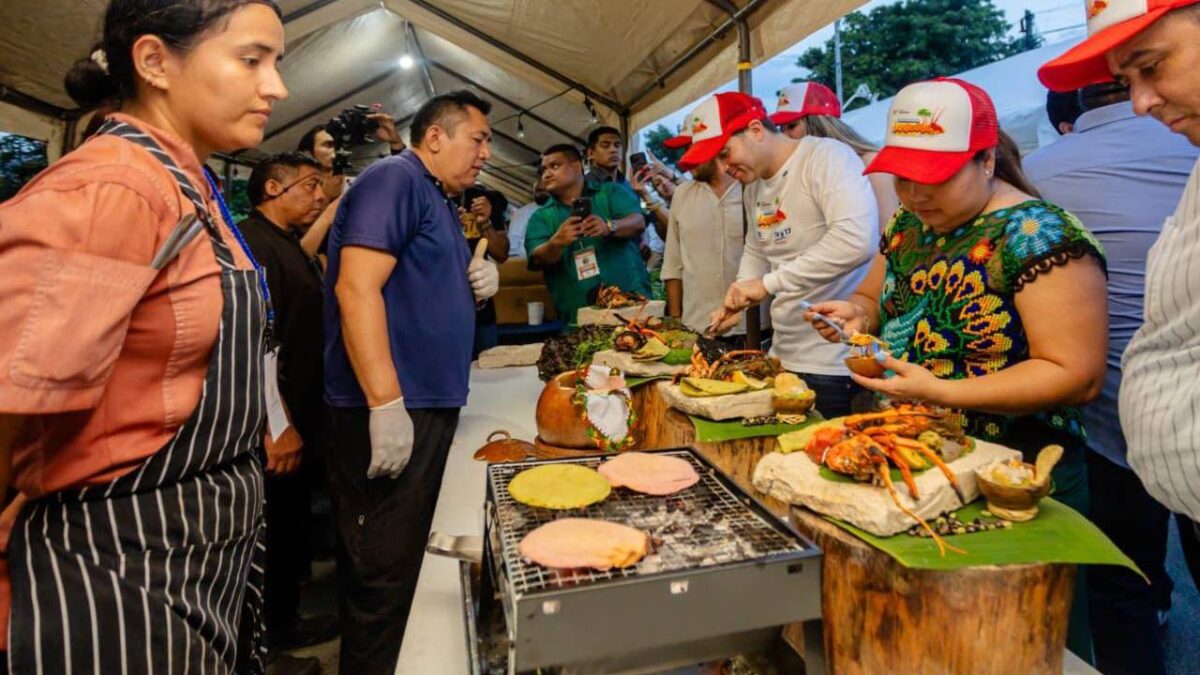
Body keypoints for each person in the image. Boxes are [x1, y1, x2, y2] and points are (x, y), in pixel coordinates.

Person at [0, 1, 289, 672]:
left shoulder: (190, 186)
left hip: (191, 550)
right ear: (155, 61)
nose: (276, 87)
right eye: (251, 60)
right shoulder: (113, 188)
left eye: (277, 63)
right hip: (115, 569)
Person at [805, 78, 1108, 659]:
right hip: (915, 459)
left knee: (1013, 642)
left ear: (988, 159)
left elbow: (1076, 373)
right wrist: (854, 314)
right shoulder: (910, 226)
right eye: (902, 175)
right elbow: (874, 299)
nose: (915, 192)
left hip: (1014, 479)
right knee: (927, 639)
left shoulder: (1038, 235)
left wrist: (943, 391)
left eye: (935, 175)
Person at [1025, 78, 1199, 675]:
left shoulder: (1039, 173)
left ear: (1070, 111)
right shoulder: (1186, 151)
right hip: (1149, 405)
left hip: (1110, 416)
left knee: (1122, 585)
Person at [322, 89, 499, 675]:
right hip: (394, 406)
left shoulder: (439, 198)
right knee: (382, 571)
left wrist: (472, 282)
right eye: (478, 139)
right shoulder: (394, 179)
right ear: (434, 137)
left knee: (404, 565)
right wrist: (385, 402)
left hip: (428, 401)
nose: (486, 154)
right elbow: (355, 287)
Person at [695, 92, 879, 418]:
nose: (724, 167)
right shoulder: (753, 186)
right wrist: (739, 295)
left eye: (725, 153)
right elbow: (757, 247)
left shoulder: (826, 157)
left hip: (834, 362)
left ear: (755, 130)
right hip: (783, 356)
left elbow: (856, 240)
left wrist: (767, 285)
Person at [239, 152, 342, 666]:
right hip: (277, 415)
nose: (320, 196)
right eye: (310, 187)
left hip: (305, 404)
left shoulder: (289, 244)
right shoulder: (253, 244)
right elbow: (257, 343)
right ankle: (275, 632)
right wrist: (275, 423)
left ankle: (287, 614)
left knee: (292, 515)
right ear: (273, 187)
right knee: (274, 522)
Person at [525, 143, 650, 326]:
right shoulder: (541, 217)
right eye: (544, 169)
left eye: (555, 166)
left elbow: (638, 222)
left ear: (577, 166)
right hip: (579, 319)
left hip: (633, 309)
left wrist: (610, 226)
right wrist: (556, 242)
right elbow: (537, 258)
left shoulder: (609, 192)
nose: (547, 174)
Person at [771, 82, 900, 230]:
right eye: (781, 128)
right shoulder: (803, 170)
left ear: (819, 124)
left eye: (792, 126)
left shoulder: (870, 163)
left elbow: (886, 235)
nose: (784, 136)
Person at [661, 154, 745, 338]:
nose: (686, 159)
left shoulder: (750, 188)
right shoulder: (682, 194)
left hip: (750, 326)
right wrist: (675, 319)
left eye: (696, 150)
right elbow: (673, 262)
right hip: (696, 325)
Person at [458, 184, 509, 356]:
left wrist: (485, 223)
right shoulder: (426, 195)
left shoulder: (482, 199)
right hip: (439, 312)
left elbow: (501, 254)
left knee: (488, 370)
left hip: (481, 310)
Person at [507, 178, 549, 258]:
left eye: (545, 190)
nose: (542, 193)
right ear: (533, 192)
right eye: (539, 190)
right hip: (527, 262)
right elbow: (512, 246)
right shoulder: (522, 213)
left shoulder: (559, 210)